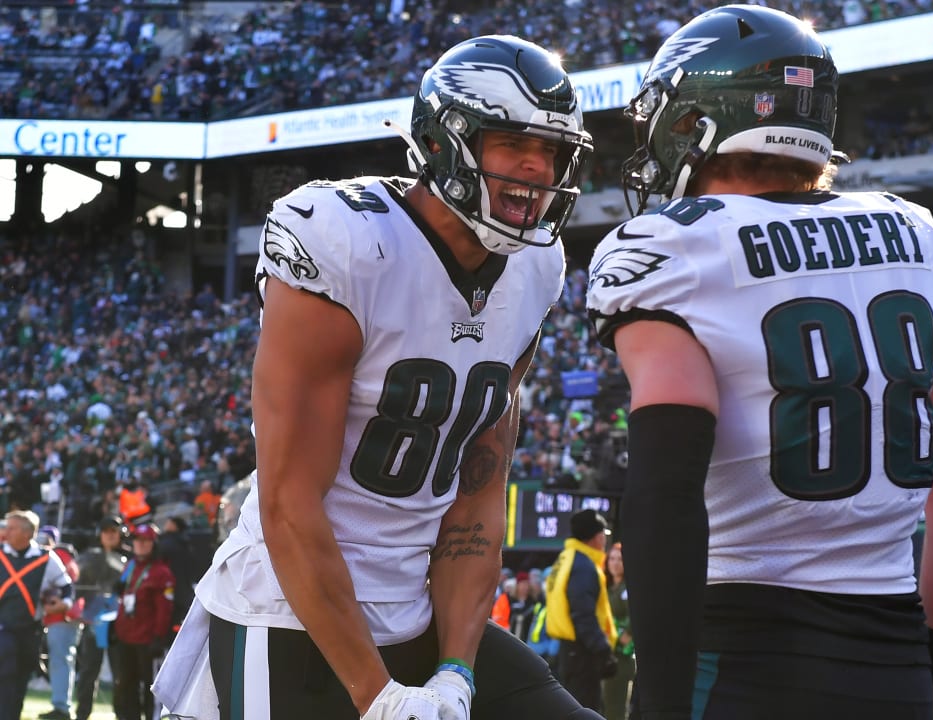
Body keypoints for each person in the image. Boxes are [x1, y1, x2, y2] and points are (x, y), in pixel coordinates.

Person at [153, 34, 601, 720]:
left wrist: (455, 671)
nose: (538, 170)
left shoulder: (537, 267)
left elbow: (477, 492)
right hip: (288, 618)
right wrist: (380, 696)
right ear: (450, 140)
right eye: (516, 144)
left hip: (415, 615)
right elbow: (288, 504)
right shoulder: (346, 240)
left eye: (554, 153)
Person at [585, 6, 933, 719]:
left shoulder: (676, 247)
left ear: (697, 124)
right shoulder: (911, 234)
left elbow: (665, 496)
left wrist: (660, 704)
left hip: (739, 661)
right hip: (893, 664)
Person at [0, 510, 73, 720]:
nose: (6, 532)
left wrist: (63, 604)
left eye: (12, 528)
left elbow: (66, 587)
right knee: (5, 669)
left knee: (21, 677)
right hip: (3, 629)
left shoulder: (46, 558)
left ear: (27, 533)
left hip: (30, 630)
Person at [545, 510, 618, 712]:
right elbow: (583, 614)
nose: (605, 540)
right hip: (583, 653)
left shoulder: (566, 558)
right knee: (587, 711)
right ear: (596, 537)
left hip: (570, 651)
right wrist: (603, 650)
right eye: (604, 535)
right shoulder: (583, 566)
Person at [112, 522, 174, 720]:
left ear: (154, 544)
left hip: (147, 640)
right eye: (138, 541)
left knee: (150, 688)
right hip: (125, 637)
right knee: (125, 685)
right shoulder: (129, 566)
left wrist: (159, 636)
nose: (140, 545)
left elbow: (164, 609)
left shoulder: (162, 573)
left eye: (146, 541)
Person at [73, 516, 127, 720]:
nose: (110, 535)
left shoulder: (131, 559)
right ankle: (82, 714)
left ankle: (122, 714)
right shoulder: (88, 557)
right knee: (88, 672)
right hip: (93, 621)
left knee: (121, 673)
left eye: (114, 531)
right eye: (106, 531)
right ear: (100, 534)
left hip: (120, 625)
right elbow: (77, 587)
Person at [37, 526, 80, 720]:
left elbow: (66, 590)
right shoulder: (62, 556)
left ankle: (61, 707)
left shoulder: (58, 557)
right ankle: (60, 705)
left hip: (62, 617)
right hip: (57, 618)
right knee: (59, 661)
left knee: (60, 661)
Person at [602, 542, 634, 720]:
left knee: (619, 708)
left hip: (623, 658)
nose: (615, 563)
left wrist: (623, 633)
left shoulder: (630, 588)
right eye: (612, 559)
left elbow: (634, 618)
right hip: (605, 655)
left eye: (620, 559)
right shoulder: (605, 587)